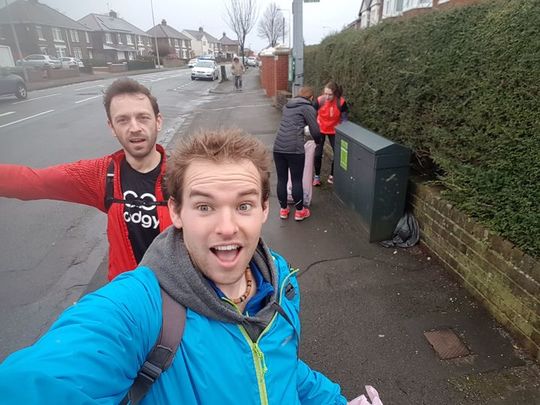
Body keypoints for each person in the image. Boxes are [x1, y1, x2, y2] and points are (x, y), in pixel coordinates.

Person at [0, 129, 357, 404]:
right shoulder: (140, 307)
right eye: (204, 207)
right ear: (175, 212)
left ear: (264, 209)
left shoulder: (280, 282)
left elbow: (282, 368)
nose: (227, 227)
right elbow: (40, 382)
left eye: (244, 206)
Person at [0, 78, 172, 281]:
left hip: (176, 298)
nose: (134, 127)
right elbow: (34, 182)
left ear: (158, 121)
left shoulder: (183, 174)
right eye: (123, 120)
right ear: (112, 127)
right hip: (125, 301)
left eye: (143, 117)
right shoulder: (102, 175)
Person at [273, 86, 321, 221]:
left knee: (282, 179)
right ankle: (300, 211)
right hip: (295, 150)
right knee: (296, 180)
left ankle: (283, 209)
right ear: (311, 98)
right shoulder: (308, 108)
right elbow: (315, 131)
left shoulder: (287, 106)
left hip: (278, 147)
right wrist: (318, 142)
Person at [313, 80, 349, 186]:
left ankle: (332, 176)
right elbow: (311, 113)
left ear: (335, 93)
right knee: (318, 154)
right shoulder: (320, 101)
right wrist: (311, 126)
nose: (327, 97)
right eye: (325, 94)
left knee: (337, 153)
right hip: (321, 129)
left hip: (334, 130)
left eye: (330, 94)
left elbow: (344, 119)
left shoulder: (341, 102)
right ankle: (317, 177)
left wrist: (343, 129)